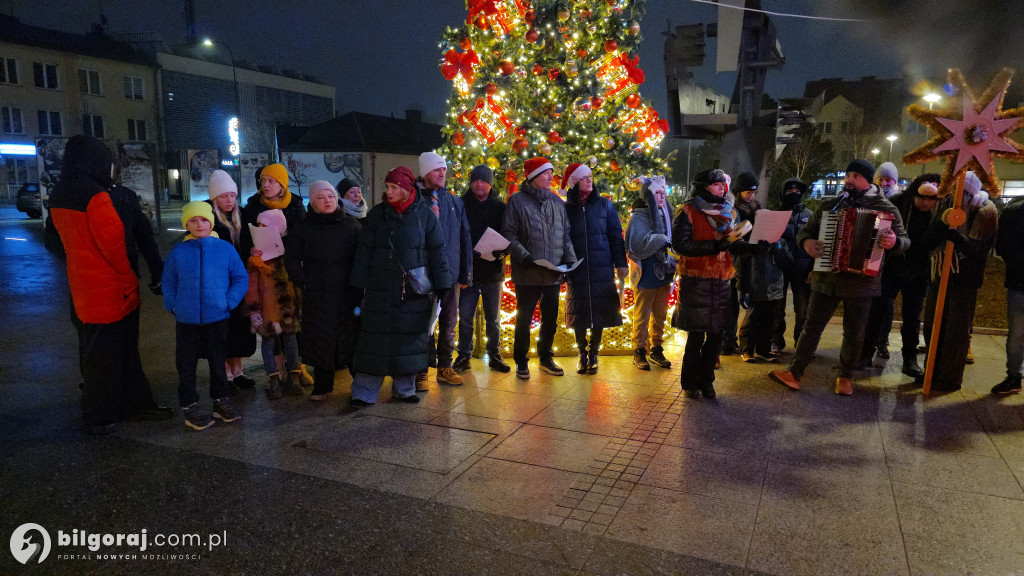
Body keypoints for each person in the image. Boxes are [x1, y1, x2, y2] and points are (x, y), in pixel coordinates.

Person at [49, 135, 171, 434]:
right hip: (111, 290)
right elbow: (114, 244)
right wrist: (129, 278)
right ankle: (108, 412)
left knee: (94, 352)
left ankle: (104, 408)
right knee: (119, 351)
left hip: (82, 288)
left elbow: (55, 243)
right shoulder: (96, 196)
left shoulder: (60, 194)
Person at [770, 159, 908, 396]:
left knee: (854, 331)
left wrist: (895, 242)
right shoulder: (830, 205)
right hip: (828, 277)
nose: (849, 180)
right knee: (811, 327)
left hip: (863, 281)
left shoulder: (885, 209)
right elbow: (807, 232)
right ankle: (794, 372)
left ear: (867, 180)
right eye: (848, 175)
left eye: (855, 175)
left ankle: (845, 376)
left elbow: (904, 240)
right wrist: (807, 243)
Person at [349, 166, 451, 406]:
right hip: (379, 288)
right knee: (374, 340)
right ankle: (364, 392)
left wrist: (443, 284)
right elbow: (364, 252)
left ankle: (404, 389)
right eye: (387, 187)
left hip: (413, 291)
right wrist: (357, 284)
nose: (389, 191)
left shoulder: (425, 216)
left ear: (406, 190)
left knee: (409, 340)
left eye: (394, 187)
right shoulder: (377, 215)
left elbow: (437, 251)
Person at [162, 201, 249, 430]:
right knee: (186, 364)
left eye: (203, 219)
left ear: (211, 221)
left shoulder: (225, 249)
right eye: (193, 220)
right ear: (186, 225)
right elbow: (169, 280)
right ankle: (190, 405)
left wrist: (228, 302)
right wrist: (173, 305)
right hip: (187, 320)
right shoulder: (179, 252)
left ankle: (220, 400)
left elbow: (240, 278)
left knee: (218, 362)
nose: (199, 224)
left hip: (217, 318)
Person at [920, 171, 997, 392]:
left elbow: (979, 248)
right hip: (939, 273)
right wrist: (942, 227)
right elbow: (929, 239)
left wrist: (959, 239)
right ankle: (931, 373)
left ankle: (949, 377)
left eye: (957, 188)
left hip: (964, 279)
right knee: (934, 326)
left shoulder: (984, 210)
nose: (952, 192)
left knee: (956, 329)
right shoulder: (946, 207)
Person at [502, 156, 577, 380]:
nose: (550, 177)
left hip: (553, 272)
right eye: (546, 173)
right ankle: (521, 361)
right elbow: (508, 233)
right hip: (527, 273)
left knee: (550, 319)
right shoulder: (516, 201)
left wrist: (570, 259)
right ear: (533, 176)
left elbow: (565, 235)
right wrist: (523, 256)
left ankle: (546, 357)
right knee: (524, 319)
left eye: (551, 173)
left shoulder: (557, 203)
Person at [286, 181, 362, 401]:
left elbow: (362, 257)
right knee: (321, 339)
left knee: (350, 339)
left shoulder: (352, 226)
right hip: (317, 293)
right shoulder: (305, 227)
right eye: (321, 197)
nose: (327, 201)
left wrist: (358, 283)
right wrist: (303, 281)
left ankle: (362, 384)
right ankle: (323, 385)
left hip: (348, 293)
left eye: (330, 196)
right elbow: (291, 258)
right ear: (313, 202)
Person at [859, 174, 940, 377]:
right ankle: (865, 353)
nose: (926, 202)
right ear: (914, 193)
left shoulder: (941, 213)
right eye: (922, 197)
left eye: (931, 199)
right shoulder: (897, 205)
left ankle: (909, 359)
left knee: (912, 316)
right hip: (892, 267)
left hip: (919, 270)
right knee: (877, 310)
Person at [671, 169, 740, 399]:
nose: (722, 187)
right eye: (717, 184)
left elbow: (731, 243)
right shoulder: (688, 211)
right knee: (697, 335)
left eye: (723, 184)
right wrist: (713, 247)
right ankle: (691, 382)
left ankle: (707, 381)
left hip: (721, 282)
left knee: (717, 335)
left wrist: (753, 246)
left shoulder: (726, 212)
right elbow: (681, 245)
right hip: (697, 281)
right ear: (704, 186)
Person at [563, 162, 627, 374]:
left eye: (590, 176)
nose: (589, 180)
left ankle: (594, 353)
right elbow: (561, 239)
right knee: (578, 311)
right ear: (574, 182)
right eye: (584, 177)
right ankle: (582, 353)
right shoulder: (566, 209)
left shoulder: (605, 205)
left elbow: (616, 237)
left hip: (602, 267)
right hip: (577, 268)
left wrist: (621, 264)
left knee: (600, 310)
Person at [416, 152, 472, 387]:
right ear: (424, 173)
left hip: (450, 273)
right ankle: (420, 370)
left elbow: (464, 237)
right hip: (424, 275)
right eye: (436, 169)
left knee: (449, 324)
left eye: (443, 169)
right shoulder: (416, 200)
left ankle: (445, 367)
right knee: (423, 324)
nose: (441, 173)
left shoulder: (455, 201)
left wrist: (466, 272)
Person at [454, 165, 511, 373]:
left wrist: (505, 251)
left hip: (493, 272)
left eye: (484, 180)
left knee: (493, 318)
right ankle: (463, 355)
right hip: (468, 273)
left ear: (490, 183)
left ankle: (494, 354)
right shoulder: (461, 205)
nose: (479, 184)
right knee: (466, 317)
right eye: (475, 180)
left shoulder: (500, 207)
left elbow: (509, 234)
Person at [206, 169, 258, 393]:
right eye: (223, 196)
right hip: (220, 282)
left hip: (240, 280)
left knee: (239, 328)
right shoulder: (208, 217)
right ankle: (224, 375)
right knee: (223, 330)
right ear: (214, 197)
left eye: (232, 195)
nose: (229, 200)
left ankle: (238, 372)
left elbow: (246, 244)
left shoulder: (242, 214)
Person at [244, 209, 303, 399]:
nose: (260, 230)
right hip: (267, 307)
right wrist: (253, 309)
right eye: (259, 226)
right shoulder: (255, 259)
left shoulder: (289, 253)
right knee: (269, 342)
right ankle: (274, 380)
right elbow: (251, 284)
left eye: (265, 226)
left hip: (287, 305)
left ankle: (293, 378)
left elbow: (296, 279)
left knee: (290, 341)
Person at [625, 176, 675, 371]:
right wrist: (658, 240)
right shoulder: (639, 216)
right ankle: (639, 349)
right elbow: (635, 245)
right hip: (646, 270)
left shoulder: (666, 214)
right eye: (657, 193)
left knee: (660, 312)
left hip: (664, 270)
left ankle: (656, 347)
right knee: (643, 312)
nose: (661, 197)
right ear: (649, 195)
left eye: (664, 193)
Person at [771, 178, 813, 354]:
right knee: (777, 309)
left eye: (797, 190)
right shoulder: (775, 215)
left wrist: (813, 268)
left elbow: (817, 242)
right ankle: (776, 341)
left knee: (803, 310)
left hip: (803, 270)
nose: (794, 193)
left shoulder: (810, 216)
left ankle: (800, 343)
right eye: (789, 190)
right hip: (780, 268)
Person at [993, 193, 1024, 395]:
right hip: (1020, 282)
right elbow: (1003, 246)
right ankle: (1013, 375)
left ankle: (1013, 375)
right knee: (1017, 333)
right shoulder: (1014, 212)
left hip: (1018, 281)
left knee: (1017, 333)